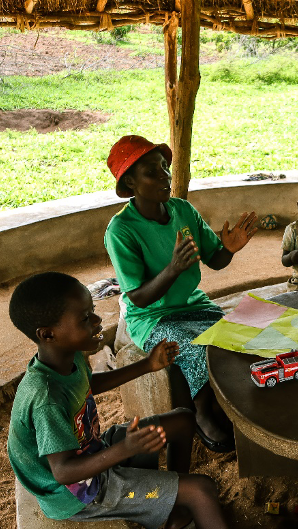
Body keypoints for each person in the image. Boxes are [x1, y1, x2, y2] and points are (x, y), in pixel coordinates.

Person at [7, 272, 298, 529]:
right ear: (48, 333)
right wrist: (123, 450)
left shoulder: (65, 359)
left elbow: (90, 384)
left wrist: (146, 366)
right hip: (78, 493)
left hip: (90, 454)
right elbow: (63, 472)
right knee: (202, 490)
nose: (97, 320)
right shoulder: (43, 397)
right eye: (85, 317)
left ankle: (174, 519)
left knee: (182, 420)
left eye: (93, 312)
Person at [103, 135, 258, 453]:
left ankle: (232, 402)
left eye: (164, 167)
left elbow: (214, 260)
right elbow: (139, 299)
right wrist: (172, 269)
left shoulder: (183, 211)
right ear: (130, 182)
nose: (164, 176)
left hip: (193, 305)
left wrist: (228, 249)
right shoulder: (121, 231)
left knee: (236, 336)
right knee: (189, 346)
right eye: (152, 171)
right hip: (151, 317)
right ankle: (201, 412)